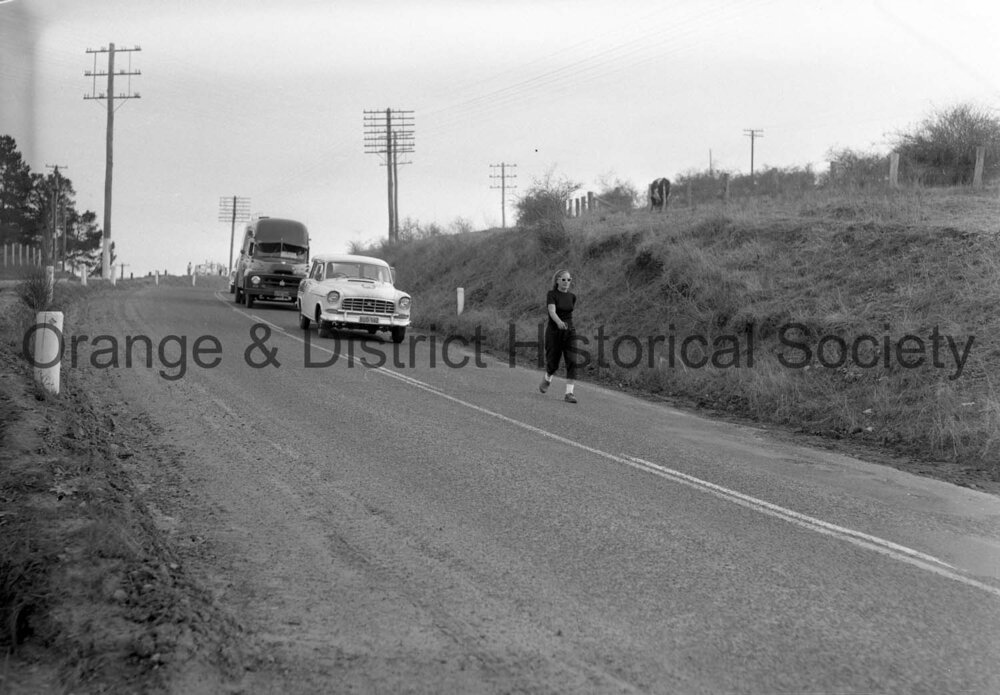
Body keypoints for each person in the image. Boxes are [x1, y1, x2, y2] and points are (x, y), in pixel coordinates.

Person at [539, 269, 578, 403]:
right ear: (557, 280)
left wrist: (566, 325)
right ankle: (548, 377)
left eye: (569, 280)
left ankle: (569, 393)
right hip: (554, 332)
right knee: (553, 363)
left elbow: (569, 314)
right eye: (563, 279)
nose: (566, 282)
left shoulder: (572, 297)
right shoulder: (552, 294)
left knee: (572, 361)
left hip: (569, 331)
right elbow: (551, 311)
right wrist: (559, 322)